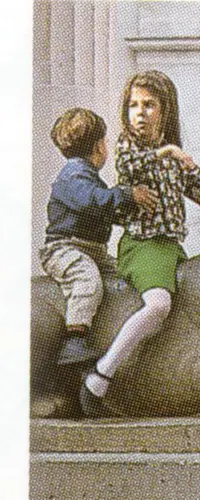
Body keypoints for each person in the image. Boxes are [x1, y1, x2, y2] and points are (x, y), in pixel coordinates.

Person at [79, 70, 200, 416]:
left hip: (171, 248)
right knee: (158, 306)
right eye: (134, 105)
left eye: (149, 105)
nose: (140, 112)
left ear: (165, 111)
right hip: (143, 244)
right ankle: (102, 374)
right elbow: (129, 165)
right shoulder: (128, 148)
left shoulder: (174, 158)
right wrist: (168, 152)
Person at [40, 108, 157, 366]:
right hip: (65, 248)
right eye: (104, 142)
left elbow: (103, 209)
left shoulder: (88, 177)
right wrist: (127, 194)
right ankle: (75, 339)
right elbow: (94, 202)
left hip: (92, 249)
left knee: (123, 274)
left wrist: (130, 213)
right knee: (87, 280)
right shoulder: (73, 176)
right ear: (97, 147)